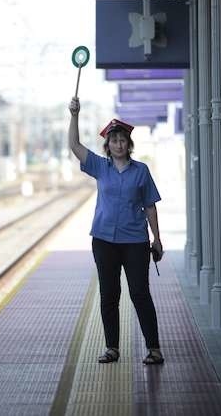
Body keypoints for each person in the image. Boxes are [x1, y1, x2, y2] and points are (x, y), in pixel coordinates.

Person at [68, 97, 164, 365]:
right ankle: (112, 348)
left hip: (135, 241)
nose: (119, 144)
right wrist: (74, 115)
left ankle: (154, 348)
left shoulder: (141, 171)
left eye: (123, 140)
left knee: (139, 294)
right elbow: (74, 145)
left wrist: (157, 238)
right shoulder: (100, 166)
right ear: (108, 146)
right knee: (109, 294)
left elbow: (150, 207)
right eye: (114, 141)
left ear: (128, 144)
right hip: (104, 241)